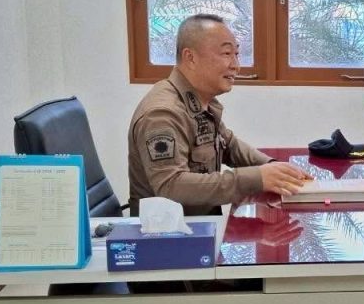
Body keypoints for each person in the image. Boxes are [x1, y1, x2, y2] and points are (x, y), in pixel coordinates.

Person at [128, 14, 310, 216]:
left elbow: (228, 145)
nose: (236, 65)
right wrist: (256, 178)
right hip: (167, 232)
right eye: (226, 54)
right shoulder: (162, 114)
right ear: (190, 57)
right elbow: (171, 186)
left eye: (236, 54)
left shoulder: (201, 100)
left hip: (200, 225)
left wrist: (272, 167)